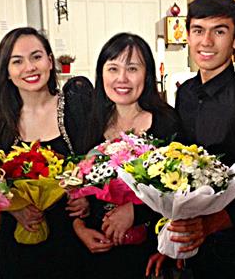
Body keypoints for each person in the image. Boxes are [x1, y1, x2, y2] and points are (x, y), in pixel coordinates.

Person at [146, 0, 235, 278]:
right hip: (192, 247)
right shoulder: (185, 92)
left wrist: (209, 224)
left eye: (220, 31)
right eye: (198, 30)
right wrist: (171, 237)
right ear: (187, 35)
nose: (206, 42)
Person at [0, 27, 92, 279]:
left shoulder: (77, 105)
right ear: (5, 71)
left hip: (75, 233)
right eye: (17, 61)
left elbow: (98, 159)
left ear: (50, 61)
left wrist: (86, 195)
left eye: (36, 57)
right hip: (20, 235)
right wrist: (13, 207)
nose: (29, 67)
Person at [73, 32, 181, 279]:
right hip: (97, 249)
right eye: (113, 68)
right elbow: (79, 188)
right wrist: (80, 227)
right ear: (102, 74)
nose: (122, 79)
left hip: (148, 253)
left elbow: (181, 191)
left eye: (132, 68)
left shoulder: (166, 122)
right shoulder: (92, 123)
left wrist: (136, 211)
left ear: (147, 74)